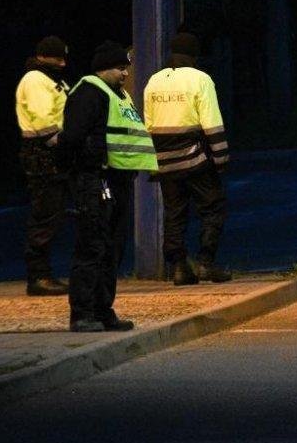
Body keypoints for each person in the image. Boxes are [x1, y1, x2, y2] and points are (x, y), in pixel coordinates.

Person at [58, 42, 157, 332]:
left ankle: (103, 311)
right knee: (92, 246)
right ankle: (82, 314)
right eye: (120, 67)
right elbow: (74, 137)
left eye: (126, 67)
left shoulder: (119, 95)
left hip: (118, 179)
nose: (126, 72)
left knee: (112, 248)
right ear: (104, 67)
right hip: (95, 178)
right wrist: (77, 171)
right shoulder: (90, 91)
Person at [143, 32, 231, 285]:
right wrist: (221, 157)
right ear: (194, 55)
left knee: (174, 214)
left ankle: (179, 267)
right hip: (195, 159)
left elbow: (148, 122)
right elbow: (211, 121)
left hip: (164, 160)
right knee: (213, 207)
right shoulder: (200, 79)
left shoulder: (154, 81)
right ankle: (205, 263)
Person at [14, 36, 72, 295]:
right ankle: (38, 276)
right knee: (45, 213)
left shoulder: (50, 79)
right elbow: (43, 119)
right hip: (43, 152)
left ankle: (42, 273)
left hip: (50, 151)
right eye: (58, 58)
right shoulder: (36, 80)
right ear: (45, 57)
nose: (62, 63)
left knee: (52, 212)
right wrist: (60, 143)